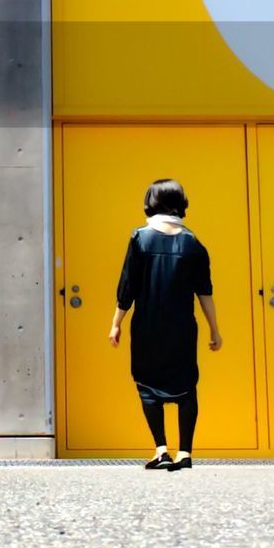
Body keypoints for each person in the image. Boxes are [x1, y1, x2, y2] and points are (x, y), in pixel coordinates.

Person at [109, 179, 222, 471]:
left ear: (151, 201)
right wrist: (214, 329)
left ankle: (161, 449)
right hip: (182, 327)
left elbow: (127, 287)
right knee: (186, 387)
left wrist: (116, 323)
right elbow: (204, 291)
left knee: (147, 385)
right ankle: (185, 452)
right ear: (181, 202)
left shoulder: (140, 238)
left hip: (148, 326)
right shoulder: (193, 242)